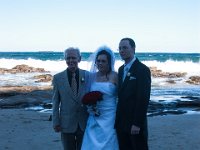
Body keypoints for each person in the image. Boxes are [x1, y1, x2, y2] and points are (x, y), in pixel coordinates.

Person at [115, 38, 151, 150]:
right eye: (120, 48)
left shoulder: (142, 69)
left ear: (133, 48)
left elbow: (143, 98)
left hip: (135, 124)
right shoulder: (120, 70)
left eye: (125, 47)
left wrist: (137, 123)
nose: (121, 50)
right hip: (121, 123)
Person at [81, 46, 119, 150]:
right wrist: (90, 107)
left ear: (109, 62)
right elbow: (86, 95)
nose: (100, 63)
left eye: (103, 61)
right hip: (94, 116)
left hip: (110, 117)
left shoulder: (115, 76)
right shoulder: (91, 76)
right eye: (98, 61)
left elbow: (122, 97)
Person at [52, 47, 90, 150]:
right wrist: (55, 122)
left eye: (73, 58)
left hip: (84, 123)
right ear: (65, 60)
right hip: (66, 124)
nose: (71, 61)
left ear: (79, 59)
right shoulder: (58, 78)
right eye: (68, 58)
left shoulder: (88, 76)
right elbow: (55, 102)